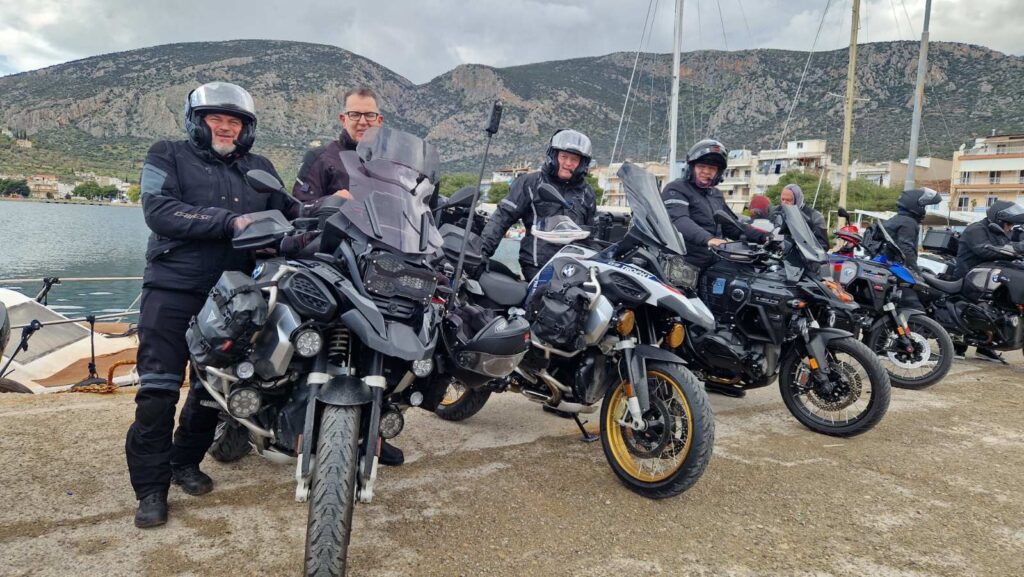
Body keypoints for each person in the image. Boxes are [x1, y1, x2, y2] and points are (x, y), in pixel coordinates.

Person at [126, 82, 300, 528]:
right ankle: (150, 490)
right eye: (215, 119)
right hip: (173, 289)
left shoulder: (260, 168)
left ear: (246, 128)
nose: (225, 127)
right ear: (196, 122)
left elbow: (289, 214)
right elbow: (158, 210)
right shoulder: (167, 154)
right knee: (158, 392)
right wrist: (231, 221)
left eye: (234, 121)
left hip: (233, 298)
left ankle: (184, 462)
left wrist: (326, 216)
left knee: (213, 391)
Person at [480, 129, 597, 280]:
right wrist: (482, 252)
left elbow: (593, 234)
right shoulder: (531, 183)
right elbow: (503, 217)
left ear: (582, 164)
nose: (568, 163)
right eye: (564, 157)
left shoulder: (587, 193)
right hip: (538, 267)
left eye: (574, 159)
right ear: (553, 156)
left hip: (573, 269)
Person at [663, 139, 767, 270]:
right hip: (685, 265)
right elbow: (678, 220)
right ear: (691, 167)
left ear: (718, 173)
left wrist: (764, 237)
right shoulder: (676, 189)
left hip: (714, 261)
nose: (706, 171)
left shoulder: (715, 194)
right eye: (701, 166)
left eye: (712, 168)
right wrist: (709, 239)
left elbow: (731, 226)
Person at [292, 87, 385, 214]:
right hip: (339, 227)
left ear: (379, 121)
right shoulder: (319, 158)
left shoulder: (393, 163)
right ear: (343, 120)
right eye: (355, 115)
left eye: (370, 115)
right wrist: (331, 201)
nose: (363, 122)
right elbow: (296, 208)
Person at [952, 200, 1024, 362]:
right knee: (968, 312)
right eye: (1009, 224)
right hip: (968, 278)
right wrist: (1018, 248)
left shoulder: (999, 232)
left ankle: (985, 348)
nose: (1010, 228)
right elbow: (985, 250)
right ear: (999, 220)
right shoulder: (976, 229)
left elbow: (1008, 251)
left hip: (989, 279)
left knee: (995, 313)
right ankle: (957, 347)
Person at [878, 187, 941, 272]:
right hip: (897, 268)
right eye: (923, 206)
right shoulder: (909, 223)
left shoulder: (897, 219)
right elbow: (906, 249)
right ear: (915, 204)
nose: (924, 210)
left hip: (887, 264)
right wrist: (916, 271)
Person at [777, 183, 829, 249]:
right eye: (782, 199)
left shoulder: (815, 216)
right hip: (781, 253)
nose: (784, 203)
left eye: (788, 200)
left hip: (804, 254)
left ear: (797, 199)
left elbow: (823, 245)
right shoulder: (779, 213)